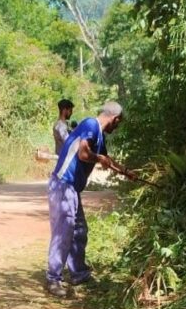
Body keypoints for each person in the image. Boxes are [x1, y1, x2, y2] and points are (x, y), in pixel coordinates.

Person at [46, 101, 137, 297]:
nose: (117, 127)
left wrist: (126, 172)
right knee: (64, 232)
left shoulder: (99, 137)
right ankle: (53, 279)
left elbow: (107, 160)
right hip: (63, 184)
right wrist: (98, 159)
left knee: (79, 231)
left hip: (72, 189)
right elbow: (83, 153)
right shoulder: (90, 124)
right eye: (118, 123)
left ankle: (79, 274)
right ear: (115, 119)